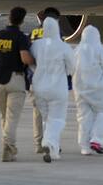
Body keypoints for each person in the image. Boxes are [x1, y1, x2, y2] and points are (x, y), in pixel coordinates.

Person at [0, 6, 35, 162]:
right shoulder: (21, 37)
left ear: (9, 18)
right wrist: (36, 62)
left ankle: (8, 148)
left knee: (4, 117)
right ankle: (9, 146)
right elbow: (25, 58)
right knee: (12, 118)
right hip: (16, 80)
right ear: (22, 20)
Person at [30, 17, 75, 163]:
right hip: (57, 88)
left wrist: (38, 71)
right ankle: (49, 143)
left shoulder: (36, 45)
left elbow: (30, 63)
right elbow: (72, 68)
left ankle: (52, 149)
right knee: (57, 119)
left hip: (39, 87)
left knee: (46, 119)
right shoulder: (63, 47)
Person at [73, 25, 103, 155]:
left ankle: (84, 147)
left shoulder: (76, 50)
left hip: (79, 88)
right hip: (97, 88)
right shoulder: (99, 49)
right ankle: (96, 140)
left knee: (83, 116)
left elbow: (69, 68)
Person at [29, 7, 62, 153]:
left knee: (38, 113)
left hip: (35, 77)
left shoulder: (33, 33)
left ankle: (38, 144)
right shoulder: (55, 34)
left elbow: (27, 54)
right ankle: (51, 143)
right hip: (52, 79)